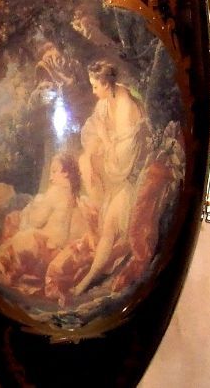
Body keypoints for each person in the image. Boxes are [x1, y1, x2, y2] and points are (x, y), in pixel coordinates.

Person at [69, 61, 150, 296]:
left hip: (130, 180)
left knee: (109, 229)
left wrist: (105, 141)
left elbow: (122, 163)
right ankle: (94, 270)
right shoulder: (106, 102)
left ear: (106, 84)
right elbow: (94, 128)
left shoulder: (125, 107)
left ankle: (88, 279)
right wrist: (92, 155)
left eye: (95, 86)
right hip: (115, 179)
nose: (93, 91)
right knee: (85, 161)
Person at [0, 154, 84, 294]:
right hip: (53, 251)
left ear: (66, 173)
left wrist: (30, 210)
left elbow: (36, 220)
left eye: (54, 171)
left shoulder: (55, 191)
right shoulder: (73, 196)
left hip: (40, 244)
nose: (51, 177)